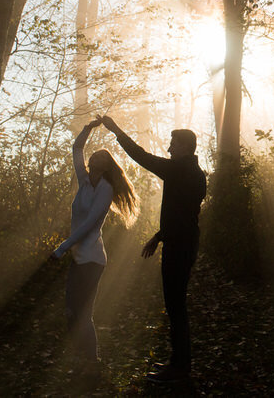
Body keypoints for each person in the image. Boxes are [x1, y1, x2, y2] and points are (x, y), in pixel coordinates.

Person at [99, 115, 206, 383]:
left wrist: (116, 130)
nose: (169, 149)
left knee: (175, 306)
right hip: (184, 242)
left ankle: (179, 368)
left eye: (172, 144)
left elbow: (141, 156)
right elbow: (183, 214)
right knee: (176, 305)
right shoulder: (195, 173)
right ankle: (180, 362)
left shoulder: (179, 170)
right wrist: (158, 237)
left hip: (179, 248)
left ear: (183, 147)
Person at [51, 118, 139, 373]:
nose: (94, 156)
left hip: (92, 260)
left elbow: (90, 224)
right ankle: (82, 359)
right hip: (79, 258)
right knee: (71, 312)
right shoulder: (85, 182)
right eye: (95, 154)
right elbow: (76, 149)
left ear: (106, 164)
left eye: (101, 155)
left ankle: (91, 362)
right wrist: (88, 129)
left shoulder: (106, 190)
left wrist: (61, 247)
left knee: (82, 313)